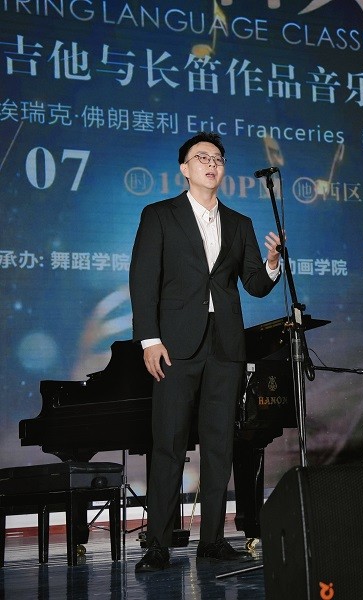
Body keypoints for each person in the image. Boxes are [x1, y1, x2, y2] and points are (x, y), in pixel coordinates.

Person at [129, 132, 282, 572]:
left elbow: (254, 284)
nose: (212, 165)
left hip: (225, 346)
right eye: (202, 158)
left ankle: (212, 539)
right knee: (169, 444)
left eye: (218, 159)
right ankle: (158, 543)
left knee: (219, 445)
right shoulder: (160, 215)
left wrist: (272, 263)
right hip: (175, 346)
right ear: (184, 168)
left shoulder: (239, 223)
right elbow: (143, 280)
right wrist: (149, 340)